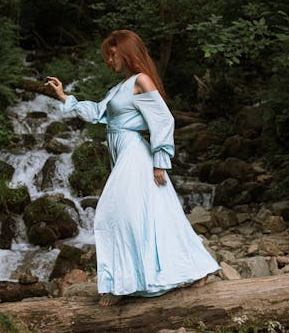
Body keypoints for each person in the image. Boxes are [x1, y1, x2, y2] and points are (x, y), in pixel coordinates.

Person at [46, 29, 220, 307]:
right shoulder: (121, 86)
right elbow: (98, 113)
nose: (108, 60)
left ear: (126, 52)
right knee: (156, 216)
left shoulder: (141, 80)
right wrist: (65, 96)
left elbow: (163, 120)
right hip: (122, 154)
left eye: (112, 54)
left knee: (111, 214)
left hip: (135, 155)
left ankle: (119, 284)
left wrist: (160, 162)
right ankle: (194, 269)